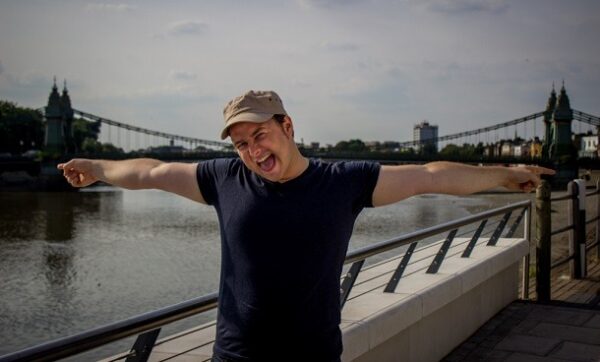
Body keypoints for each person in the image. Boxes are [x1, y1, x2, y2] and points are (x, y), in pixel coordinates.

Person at [58, 90, 554, 361]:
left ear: (287, 127)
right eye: (241, 144)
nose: (253, 151)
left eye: (261, 135)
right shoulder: (224, 178)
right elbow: (151, 171)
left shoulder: (344, 182)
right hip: (234, 358)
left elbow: (429, 176)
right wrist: (98, 168)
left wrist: (502, 176)